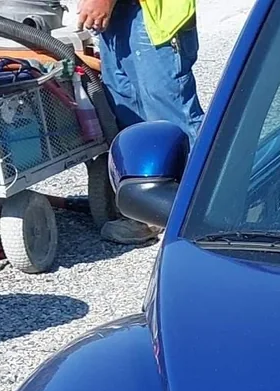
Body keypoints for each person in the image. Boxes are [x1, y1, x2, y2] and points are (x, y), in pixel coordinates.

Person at [78, 0, 204, 243]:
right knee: (131, 118)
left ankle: (202, 212)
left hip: (153, 15)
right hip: (116, 18)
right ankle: (150, 214)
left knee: (171, 119)